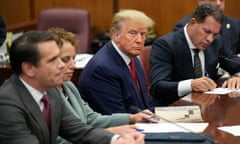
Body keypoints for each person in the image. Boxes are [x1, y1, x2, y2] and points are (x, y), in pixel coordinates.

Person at [0, 30, 144, 144]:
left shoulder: (51, 92)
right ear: (29, 69)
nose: (63, 65)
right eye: (52, 60)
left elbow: (79, 131)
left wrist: (116, 140)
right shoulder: (7, 104)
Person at [48, 28, 155, 144]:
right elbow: (59, 140)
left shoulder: (69, 86)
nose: (73, 65)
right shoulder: (45, 94)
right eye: (65, 60)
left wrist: (132, 118)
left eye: (73, 58)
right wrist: (107, 133)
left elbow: (92, 119)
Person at [150, 4, 240, 106]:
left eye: (214, 34)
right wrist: (191, 85)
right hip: (173, 109)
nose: (210, 39)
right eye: (206, 31)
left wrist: (238, 76)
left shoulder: (216, 42)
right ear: (193, 23)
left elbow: (235, 64)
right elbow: (157, 87)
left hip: (206, 109)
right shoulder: (166, 45)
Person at [78, 9, 154, 114]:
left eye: (143, 34)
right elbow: (116, 116)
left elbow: (144, 105)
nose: (139, 40)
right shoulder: (102, 68)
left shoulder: (133, 57)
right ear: (116, 35)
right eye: (132, 33)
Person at [173, 0, 240, 55]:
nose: (218, 3)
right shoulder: (184, 27)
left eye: (221, 0)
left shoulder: (236, 24)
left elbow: (229, 58)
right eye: (213, 0)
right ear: (199, 1)